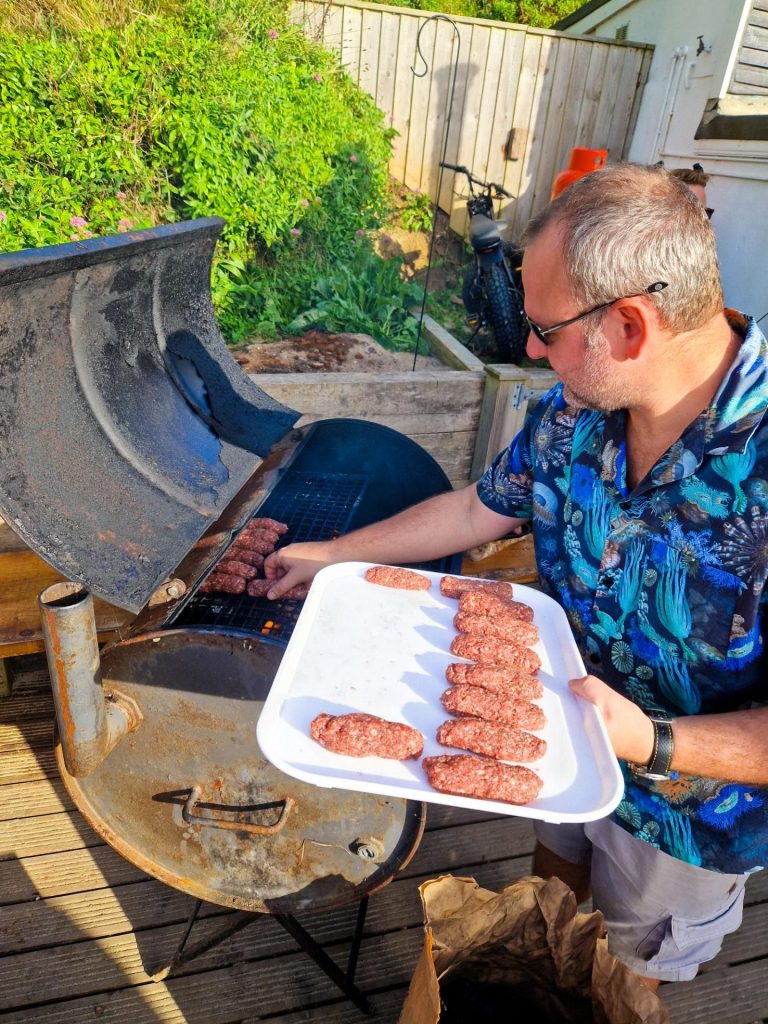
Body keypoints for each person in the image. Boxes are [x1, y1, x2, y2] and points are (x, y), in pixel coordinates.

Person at [264, 163, 768, 991]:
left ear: (632, 326)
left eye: (546, 328)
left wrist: (655, 740)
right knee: (547, 914)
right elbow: (477, 511)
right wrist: (332, 553)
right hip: (550, 750)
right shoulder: (576, 409)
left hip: (687, 825)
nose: (530, 348)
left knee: (623, 977)